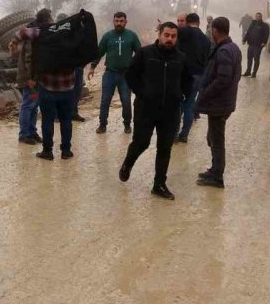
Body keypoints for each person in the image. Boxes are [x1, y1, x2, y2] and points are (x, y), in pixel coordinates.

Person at [118, 22, 192, 200]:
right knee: (141, 142)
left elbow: (188, 81)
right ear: (159, 34)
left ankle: (159, 184)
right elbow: (130, 74)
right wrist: (142, 93)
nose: (169, 39)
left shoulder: (181, 58)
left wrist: (181, 95)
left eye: (173, 36)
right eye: (166, 35)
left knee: (165, 147)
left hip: (171, 110)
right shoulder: (145, 54)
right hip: (146, 108)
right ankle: (128, 163)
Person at [195, 17, 242, 188]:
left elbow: (223, 79)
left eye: (212, 31)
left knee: (216, 140)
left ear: (215, 31)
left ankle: (216, 176)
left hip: (219, 104)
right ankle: (214, 169)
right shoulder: (233, 48)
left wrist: (205, 94)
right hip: (224, 102)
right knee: (213, 137)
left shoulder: (223, 52)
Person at [88, 11, 141, 134]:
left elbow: (140, 53)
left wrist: (137, 68)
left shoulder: (132, 36)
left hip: (126, 75)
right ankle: (102, 125)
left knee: (126, 100)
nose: (119, 23)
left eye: (121, 21)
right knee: (105, 100)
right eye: (116, 21)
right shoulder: (107, 36)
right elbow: (99, 52)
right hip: (110, 73)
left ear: (125, 22)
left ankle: (127, 124)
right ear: (113, 22)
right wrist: (92, 67)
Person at [8, 9, 52, 145]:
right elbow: (29, 59)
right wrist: (30, 78)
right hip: (30, 79)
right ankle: (24, 134)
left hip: (35, 78)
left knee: (34, 105)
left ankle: (32, 132)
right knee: (28, 105)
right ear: (46, 19)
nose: (52, 21)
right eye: (51, 18)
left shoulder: (34, 33)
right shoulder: (33, 35)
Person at [175, 13, 212, 143]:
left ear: (187, 22)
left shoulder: (183, 32)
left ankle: (174, 134)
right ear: (199, 22)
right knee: (190, 104)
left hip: (184, 74)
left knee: (178, 104)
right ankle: (184, 134)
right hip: (199, 75)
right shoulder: (206, 39)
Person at [242, 12, 270, 78]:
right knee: (249, 58)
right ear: (255, 17)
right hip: (251, 44)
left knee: (256, 59)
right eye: (257, 16)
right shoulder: (253, 24)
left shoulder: (264, 25)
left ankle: (254, 73)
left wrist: (264, 42)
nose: (258, 17)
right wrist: (244, 40)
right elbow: (248, 32)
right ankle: (248, 72)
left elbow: (266, 34)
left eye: (259, 16)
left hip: (258, 46)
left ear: (261, 17)